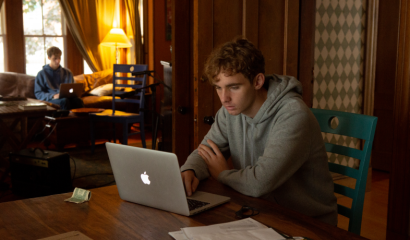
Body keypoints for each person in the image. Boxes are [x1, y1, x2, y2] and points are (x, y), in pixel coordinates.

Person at [180, 38, 338, 225]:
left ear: (257, 81)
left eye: (234, 87)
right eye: (218, 88)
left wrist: (223, 174)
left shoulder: (293, 115)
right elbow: (205, 151)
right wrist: (190, 170)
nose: (224, 98)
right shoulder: (229, 112)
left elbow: (260, 183)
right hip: (258, 212)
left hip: (306, 223)